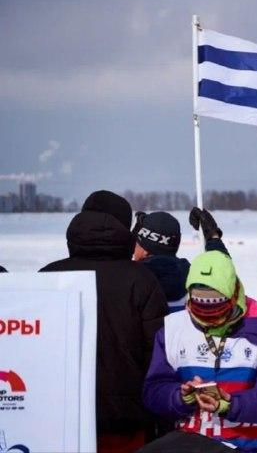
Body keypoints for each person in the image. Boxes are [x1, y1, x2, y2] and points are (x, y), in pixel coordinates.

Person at [40, 190, 168, 452]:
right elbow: (159, 355)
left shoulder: (48, 277)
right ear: (125, 228)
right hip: (127, 421)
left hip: (59, 419)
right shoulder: (141, 280)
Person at [142, 248, 257, 452]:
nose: (208, 317)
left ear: (233, 296)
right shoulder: (172, 330)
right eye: (199, 307)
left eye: (216, 307)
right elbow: (154, 390)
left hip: (248, 446)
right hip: (188, 441)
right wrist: (180, 396)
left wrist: (231, 404)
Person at [133, 209, 228, 314]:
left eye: (136, 244)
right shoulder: (194, 278)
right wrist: (213, 237)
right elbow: (222, 276)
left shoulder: (132, 279)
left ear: (145, 250)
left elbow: (116, 268)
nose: (133, 250)